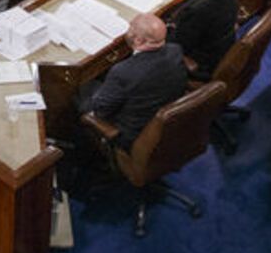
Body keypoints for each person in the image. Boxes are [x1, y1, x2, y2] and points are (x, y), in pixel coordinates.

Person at [78, 13, 188, 151]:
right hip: (160, 116)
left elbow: (101, 110)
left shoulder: (123, 72)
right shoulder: (175, 50)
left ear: (138, 40)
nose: (127, 31)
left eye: (130, 29)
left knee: (81, 90)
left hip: (132, 135)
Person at [166, 0, 239, 80]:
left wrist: (166, 27)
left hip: (202, 62)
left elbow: (181, 43)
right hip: (218, 50)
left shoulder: (198, 9)